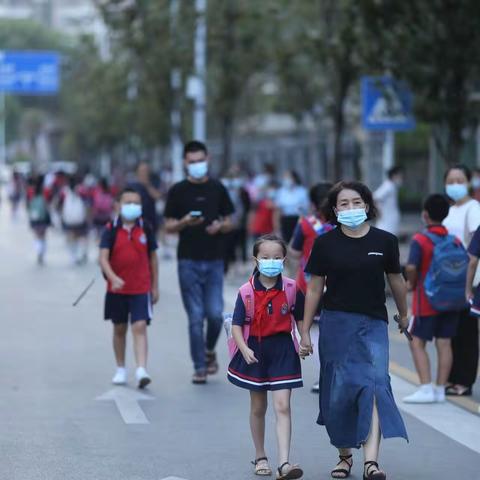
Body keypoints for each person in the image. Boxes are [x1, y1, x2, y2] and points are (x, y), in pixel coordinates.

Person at [300, 181, 409, 480]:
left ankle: (371, 462)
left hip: (373, 323)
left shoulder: (385, 241)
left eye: (356, 202)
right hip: (336, 323)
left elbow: (397, 280)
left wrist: (405, 312)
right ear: (335, 210)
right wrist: (306, 331)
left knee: (374, 385)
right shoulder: (325, 244)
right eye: (344, 204)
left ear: (367, 205)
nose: (351, 208)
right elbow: (313, 289)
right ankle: (344, 455)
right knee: (339, 393)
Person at [227, 235, 304, 480]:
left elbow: (301, 318)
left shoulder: (291, 288)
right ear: (255, 260)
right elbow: (237, 325)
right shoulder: (246, 291)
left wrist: (306, 339)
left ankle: (284, 463)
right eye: (265, 257)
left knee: (283, 406)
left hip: (283, 351)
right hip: (255, 351)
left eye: (276, 258)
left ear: (284, 259)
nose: (271, 262)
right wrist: (244, 348)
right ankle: (260, 456)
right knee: (258, 406)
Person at [164, 140, 234, 384]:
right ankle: (200, 366)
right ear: (185, 163)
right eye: (192, 162)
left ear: (208, 159)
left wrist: (220, 226)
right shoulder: (178, 191)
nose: (196, 165)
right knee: (195, 316)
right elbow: (168, 226)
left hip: (214, 260)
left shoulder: (218, 188)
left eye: (200, 161)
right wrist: (184, 222)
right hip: (188, 262)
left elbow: (230, 220)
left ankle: (208, 349)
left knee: (215, 314)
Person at [403, 194, 461, 403]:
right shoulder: (454, 240)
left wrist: (410, 283)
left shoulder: (421, 239)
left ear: (425, 215)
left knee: (416, 341)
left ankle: (426, 387)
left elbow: (411, 266)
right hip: (451, 300)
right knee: (444, 344)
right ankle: (440, 390)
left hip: (426, 300)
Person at [99, 188, 159, 388]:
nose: (132, 206)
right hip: (116, 290)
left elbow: (153, 258)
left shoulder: (146, 228)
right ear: (117, 205)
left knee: (140, 326)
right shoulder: (110, 229)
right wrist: (113, 277)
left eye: (136, 202)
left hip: (141, 288)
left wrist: (155, 286)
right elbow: (103, 259)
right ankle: (121, 368)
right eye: (128, 202)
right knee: (119, 328)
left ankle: (141, 369)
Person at [289, 182, 334, 394]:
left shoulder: (306, 225)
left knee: (314, 334)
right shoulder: (341, 225)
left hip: (308, 287)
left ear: (313, 203)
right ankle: (332, 376)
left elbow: (294, 253)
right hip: (335, 286)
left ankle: (322, 377)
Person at [443, 164, 480, 396]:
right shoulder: (450, 209)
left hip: (469, 277)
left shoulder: (473, 207)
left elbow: (475, 244)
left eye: (459, 180)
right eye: (450, 181)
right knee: (451, 330)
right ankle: (452, 377)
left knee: (466, 332)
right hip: (449, 277)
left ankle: (464, 381)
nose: (455, 185)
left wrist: (468, 283)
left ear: (468, 182)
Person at [61, 176, 89, 265]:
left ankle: (73, 256)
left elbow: (59, 204)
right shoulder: (82, 190)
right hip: (80, 218)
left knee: (71, 237)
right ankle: (80, 254)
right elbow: (87, 203)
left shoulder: (64, 191)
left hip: (68, 218)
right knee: (80, 237)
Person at [274, 170, 309, 242]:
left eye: (288, 177)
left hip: (298, 219)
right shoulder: (281, 192)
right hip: (285, 220)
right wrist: (277, 227)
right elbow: (278, 210)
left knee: (298, 241)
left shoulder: (302, 191)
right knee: (286, 242)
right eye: (285, 177)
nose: (287, 180)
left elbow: (307, 208)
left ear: (294, 178)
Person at [129, 162, 162, 235]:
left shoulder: (154, 182)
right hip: (135, 221)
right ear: (137, 172)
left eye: (146, 170)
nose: (144, 173)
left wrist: (147, 184)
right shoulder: (132, 185)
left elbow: (157, 196)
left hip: (151, 220)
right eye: (142, 171)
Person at [27, 175, 51, 265]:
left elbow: (28, 204)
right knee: (43, 236)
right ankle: (41, 252)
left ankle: (39, 251)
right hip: (44, 218)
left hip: (34, 217)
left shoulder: (30, 191)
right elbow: (48, 203)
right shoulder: (46, 191)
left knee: (37, 235)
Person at [373, 165, 403, 235]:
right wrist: (378, 212)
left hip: (390, 220)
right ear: (394, 175)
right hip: (386, 221)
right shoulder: (388, 186)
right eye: (400, 176)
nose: (401, 178)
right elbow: (375, 198)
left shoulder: (392, 186)